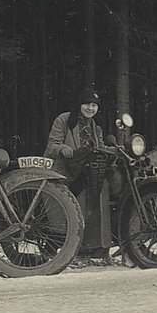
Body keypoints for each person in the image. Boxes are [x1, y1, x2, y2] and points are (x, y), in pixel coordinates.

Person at [44, 87, 109, 254]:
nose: (90, 108)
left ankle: (91, 245)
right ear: (80, 104)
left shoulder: (96, 126)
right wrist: (63, 148)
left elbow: (100, 148)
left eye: (94, 105)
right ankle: (55, 241)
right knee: (61, 207)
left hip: (85, 171)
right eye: (87, 104)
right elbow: (52, 145)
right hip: (63, 170)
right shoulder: (64, 120)